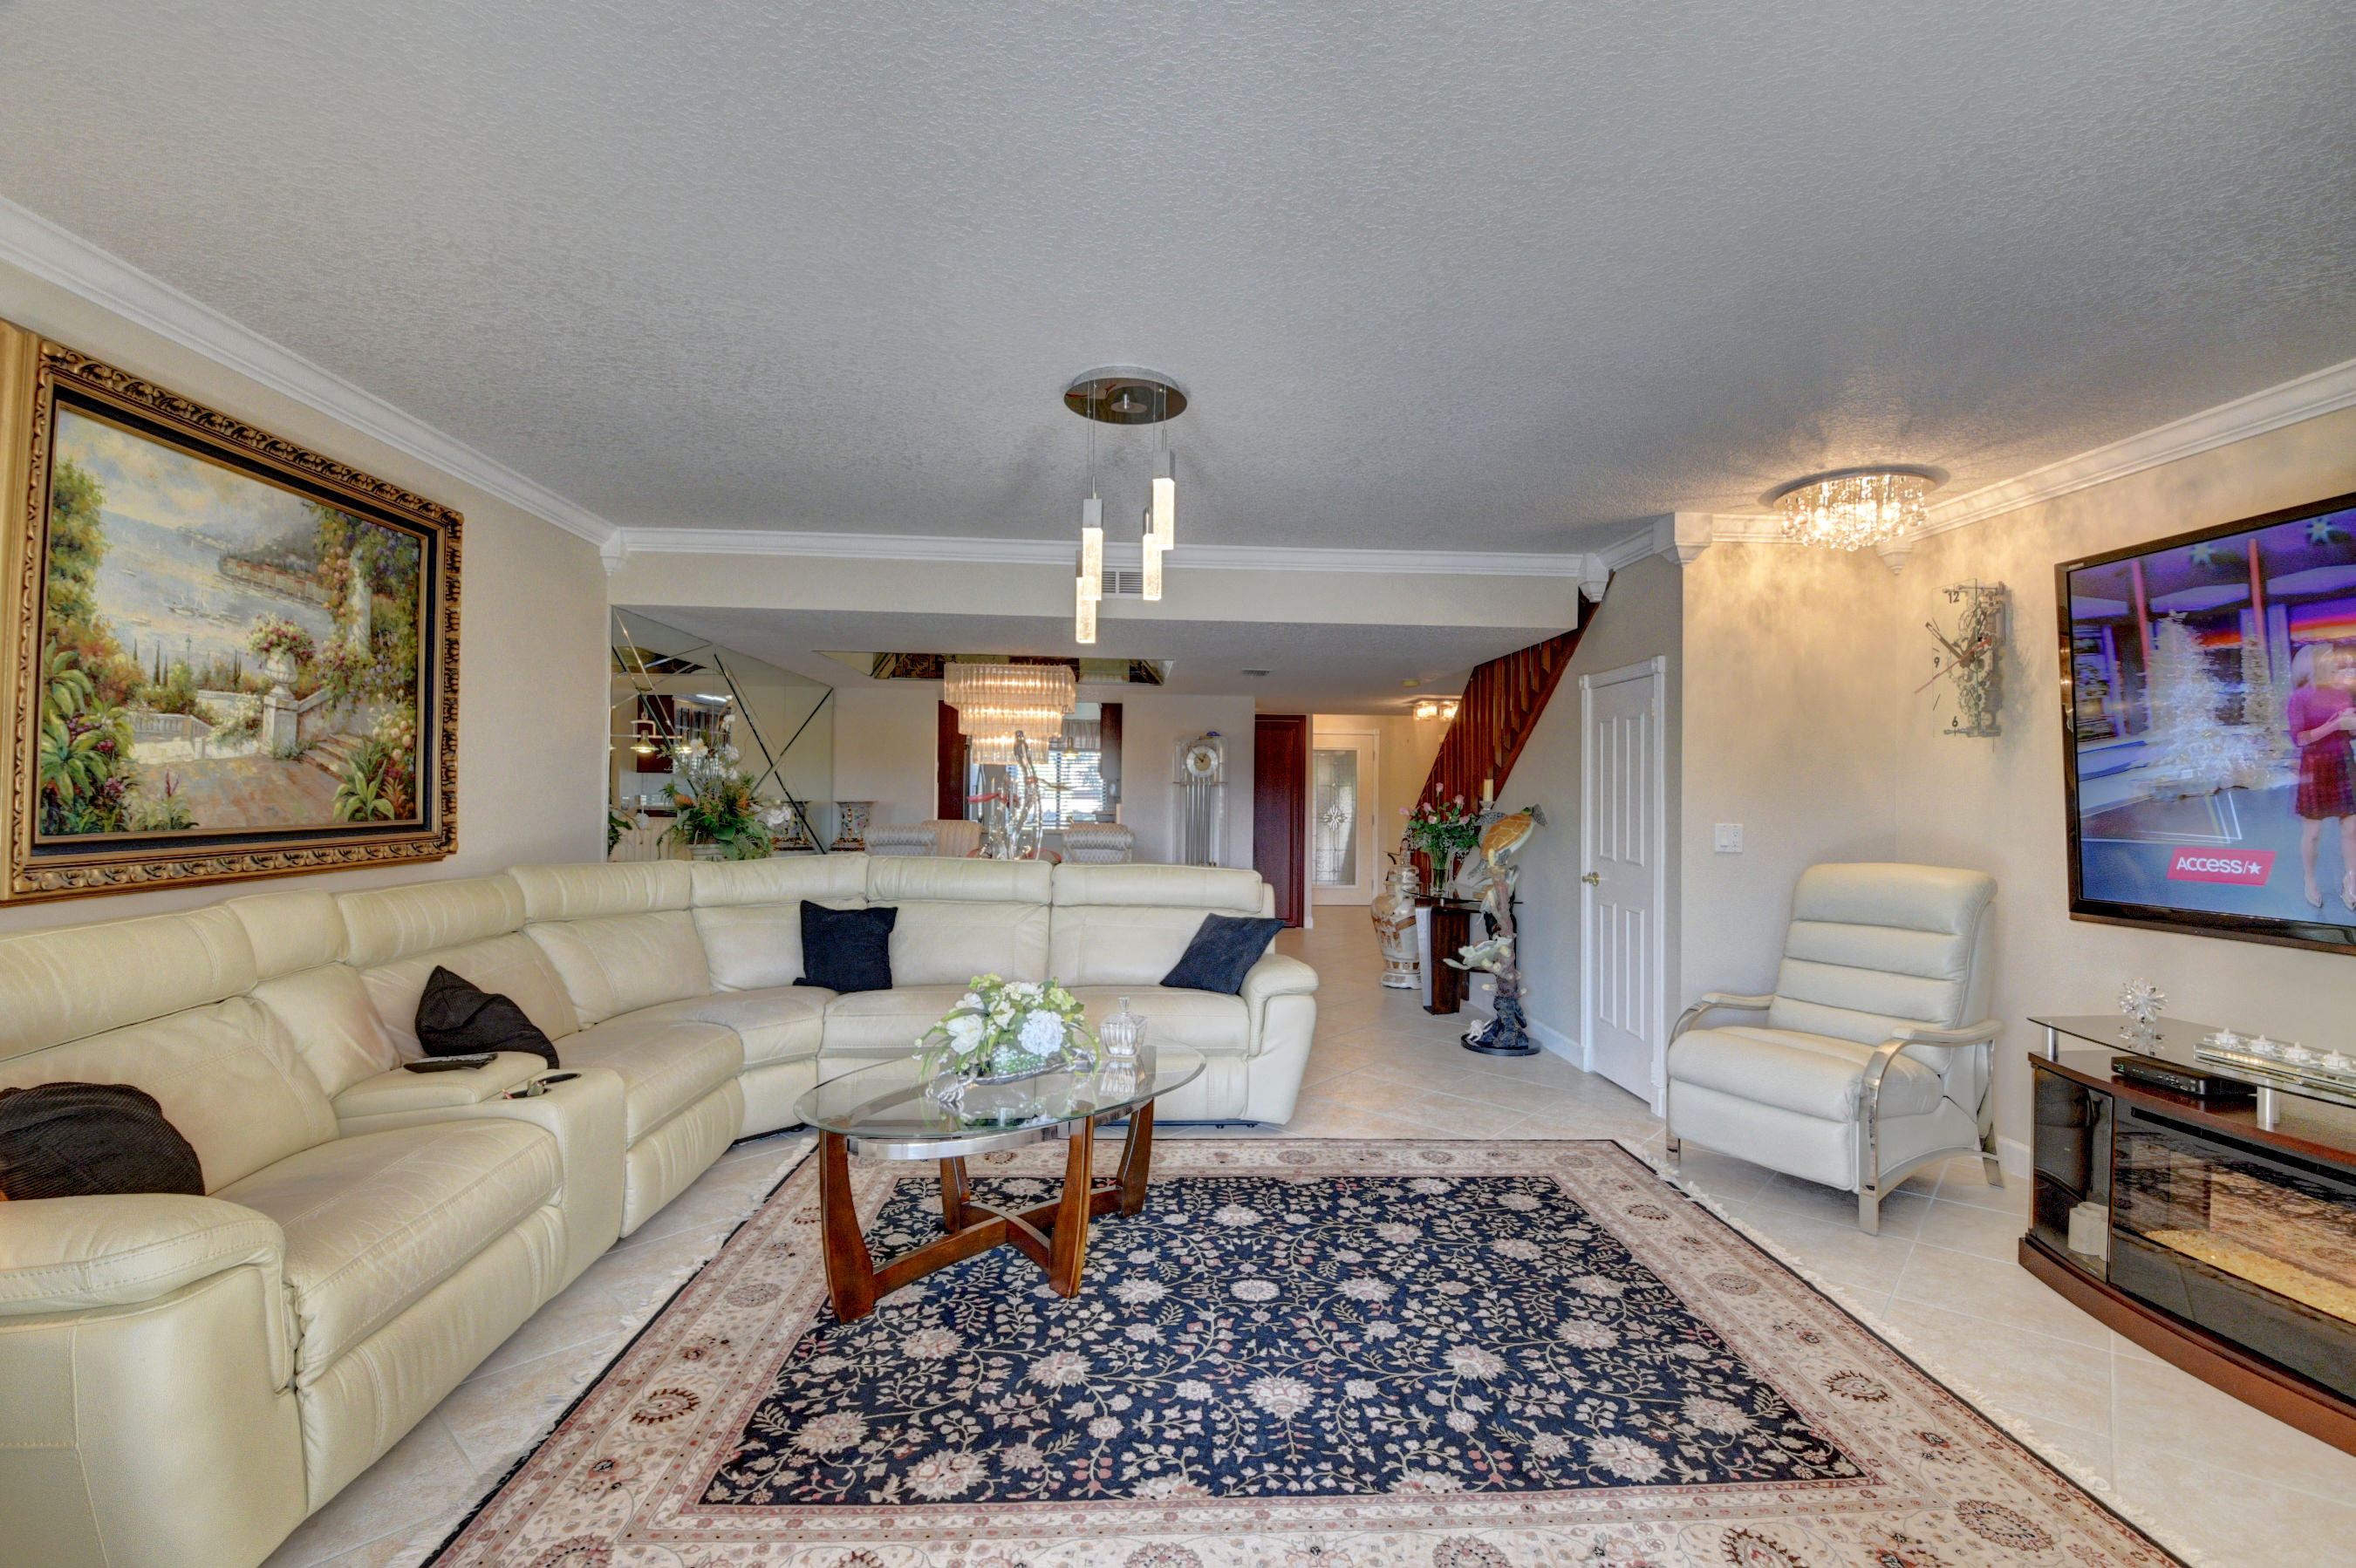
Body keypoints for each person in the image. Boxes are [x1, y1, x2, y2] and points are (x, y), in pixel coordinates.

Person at [2286, 641, 2356, 910]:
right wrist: (2335, 725)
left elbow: (2350, 732)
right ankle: (2310, 880)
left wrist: (2350, 726)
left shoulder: (2343, 693)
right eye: (2327, 658)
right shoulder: (2299, 698)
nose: (2333, 663)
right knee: (2313, 832)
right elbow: (2299, 739)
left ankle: (2352, 881)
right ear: (2312, 665)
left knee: (2352, 829)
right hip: (2315, 767)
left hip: (2344, 762)